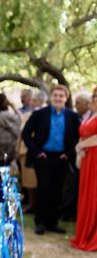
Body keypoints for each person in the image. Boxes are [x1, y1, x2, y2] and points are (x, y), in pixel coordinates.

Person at [22, 84, 80, 235]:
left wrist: (68, 153)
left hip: (62, 157)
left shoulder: (72, 116)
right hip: (43, 157)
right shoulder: (40, 114)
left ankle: (53, 223)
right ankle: (41, 222)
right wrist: (37, 152)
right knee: (44, 189)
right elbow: (26, 134)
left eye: (61, 96)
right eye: (55, 95)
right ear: (51, 97)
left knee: (57, 190)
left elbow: (77, 137)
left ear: (66, 98)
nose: (58, 98)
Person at [70, 87, 97, 251]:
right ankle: (84, 233)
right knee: (86, 195)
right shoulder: (91, 114)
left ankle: (93, 235)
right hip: (88, 160)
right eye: (95, 95)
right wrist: (79, 151)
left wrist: (80, 145)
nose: (96, 98)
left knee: (94, 195)